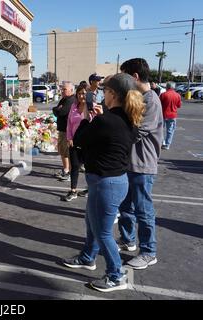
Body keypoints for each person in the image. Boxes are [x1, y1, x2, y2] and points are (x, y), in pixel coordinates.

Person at [62, 73, 145, 293]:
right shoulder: (127, 119)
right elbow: (104, 140)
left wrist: (90, 116)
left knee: (103, 233)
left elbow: (78, 141)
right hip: (113, 181)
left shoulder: (105, 120)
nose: (101, 94)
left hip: (105, 183)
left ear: (113, 94)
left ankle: (116, 275)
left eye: (105, 91)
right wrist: (98, 117)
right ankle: (88, 257)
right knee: (92, 222)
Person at [118, 58, 163, 270]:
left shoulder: (151, 100)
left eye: (125, 77)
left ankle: (148, 252)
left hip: (142, 165)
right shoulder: (138, 98)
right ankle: (128, 240)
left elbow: (138, 132)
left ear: (134, 77)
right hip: (129, 163)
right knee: (125, 206)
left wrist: (112, 134)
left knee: (143, 210)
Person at [62, 84, 90, 202]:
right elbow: (69, 124)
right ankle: (73, 190)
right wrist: (69, 137)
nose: (81, 96)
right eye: (79, 93)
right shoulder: (73, 106)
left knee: (89, 168)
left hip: (88, 143)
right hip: (74, 142)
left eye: (83, 93)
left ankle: (90, 189)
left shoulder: (91, 107)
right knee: (75, 166)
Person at [53, 82, 76, 182]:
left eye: (64, 89)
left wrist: (57, 110)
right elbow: (56, 110)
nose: (62, 91)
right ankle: (66, 170)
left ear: (71, 90)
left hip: (67, 131)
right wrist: (56, 109)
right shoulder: (64, 99)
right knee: (63, 151)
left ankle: (68, 172)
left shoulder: (71, 100)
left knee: (66, 152)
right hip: (62, 129)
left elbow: (61, 112)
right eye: (62, 89)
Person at [160, 82, 182, 150]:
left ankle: (162, 142)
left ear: (167, 87)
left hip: (163, 114)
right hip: (172, 115)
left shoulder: (163, 94)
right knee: (170, 131)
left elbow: (159, 104)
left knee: (160, 130)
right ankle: (167, 144)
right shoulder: (178, 95)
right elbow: (179, 105)